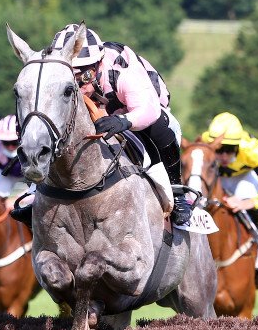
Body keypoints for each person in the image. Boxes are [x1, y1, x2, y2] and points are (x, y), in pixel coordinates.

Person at [50, 23, 192, 225]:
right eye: (72, 79)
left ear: (98, 64)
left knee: (161, 125)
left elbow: (148, 110)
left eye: (84, 77)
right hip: (106, 112)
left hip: (144, 113)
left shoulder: (122, 70)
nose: (79, 88)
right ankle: (38, 193)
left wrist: (123, 120)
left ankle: (177, 194)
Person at [200, 111, 258, 270]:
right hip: (216, 177)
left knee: (246, 191)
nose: (223, 155)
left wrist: (247, 203)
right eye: (219, 150)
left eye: (229, 149)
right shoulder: (204, 142)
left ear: (238, 145)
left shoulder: (252, 149)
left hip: (243, 177)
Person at [0, 115, 33, 223]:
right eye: (6, 142)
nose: (10, 147)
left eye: (14, 142)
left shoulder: (33, 147)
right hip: (6, 176)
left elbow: (38, 184)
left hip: (29, 178)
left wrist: (17, 198)